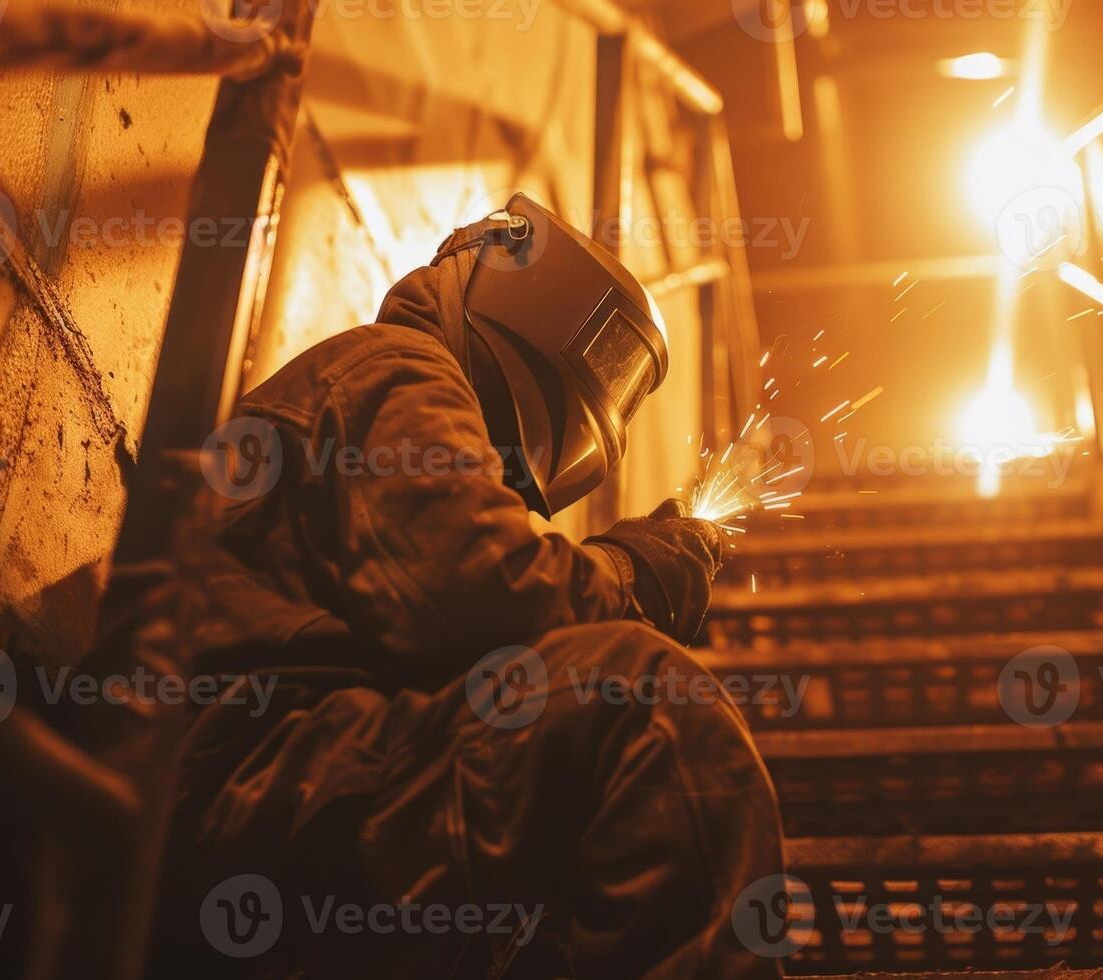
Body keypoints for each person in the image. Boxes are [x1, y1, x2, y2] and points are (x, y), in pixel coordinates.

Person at [151, 194, 785, 978]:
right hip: (254, 784)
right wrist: (628, 575)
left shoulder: (401, 391)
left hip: (278, 802)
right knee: (648, 707)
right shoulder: (394, 364)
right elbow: (480, 588)